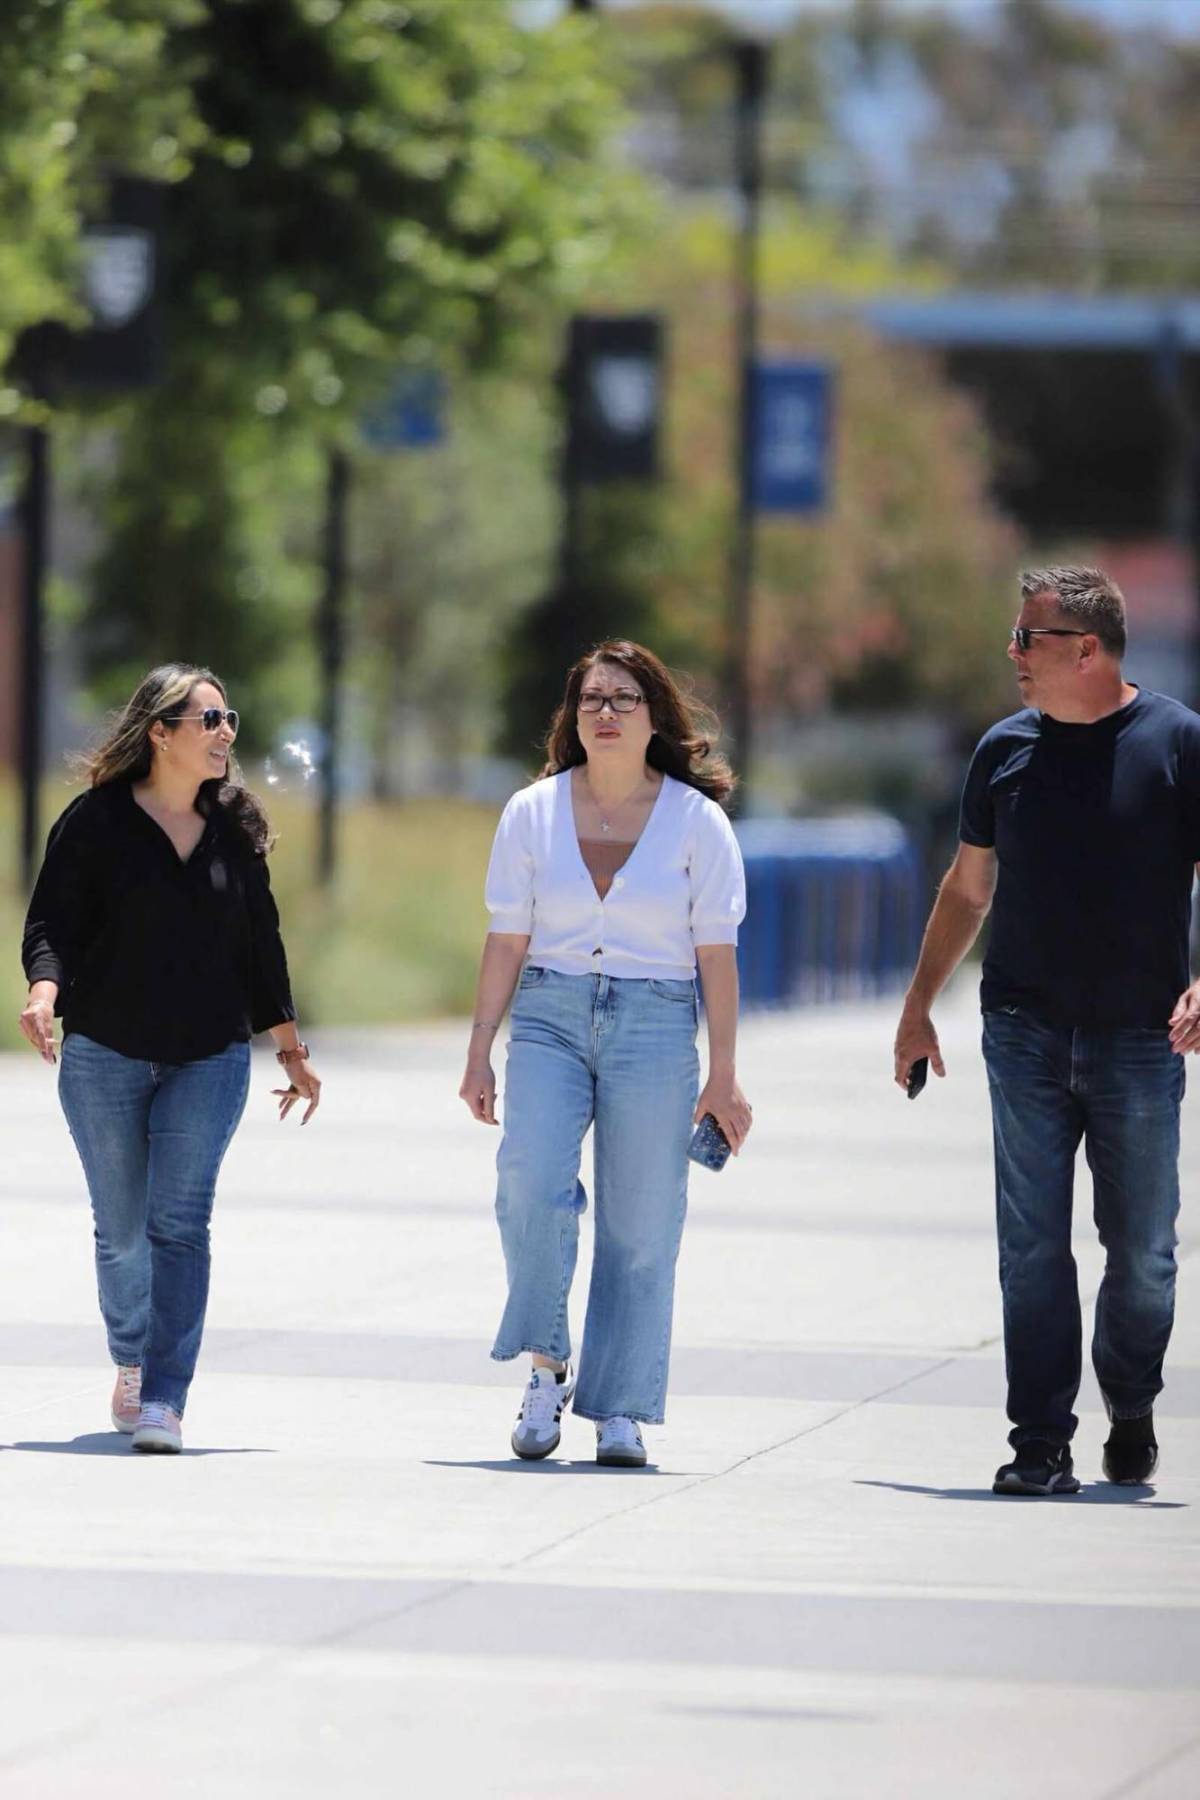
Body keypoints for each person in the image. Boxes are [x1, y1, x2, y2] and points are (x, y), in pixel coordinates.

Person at [894, 566, 1200, 1496]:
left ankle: (1134, 1404)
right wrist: (918, 1010)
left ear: (1088, 649)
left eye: (1029, 637)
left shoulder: (1179, 743)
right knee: (1030, 1245)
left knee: (1143, 1251)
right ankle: (1040, 1442)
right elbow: (967, 887)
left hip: (1143, 1038)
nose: (1014, 654)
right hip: (1022, 1028)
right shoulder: (1003, 751)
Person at [460, 640, 751, 1467]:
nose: (607, 713)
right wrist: (480, 1050)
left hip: (656, 1022)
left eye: (625, 699)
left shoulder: (698, 823)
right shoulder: (531, 812)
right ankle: (548, 1367)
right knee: (528, 1181)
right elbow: (506, 938)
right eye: (592, 699)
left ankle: (619, 1407)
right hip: (549, 1014)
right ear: (572, 716)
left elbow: (717, 958)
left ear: (654, 715)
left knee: (642, 1222)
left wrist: (724, 1073)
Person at [20, 663, 320, 1454]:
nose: (226, 733)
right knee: (122, 1230)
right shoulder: (94, 822)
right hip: (105, 1050)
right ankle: (132, 1354)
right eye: (210, 719)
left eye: (230, 719)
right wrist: (44, 995)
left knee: (179, 1226)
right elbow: (51, 922)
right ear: (161, 732)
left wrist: (289, 1046)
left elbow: (263, 946)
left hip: (210, 1056)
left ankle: (164, 1396)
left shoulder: (236, 824)